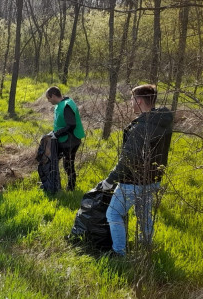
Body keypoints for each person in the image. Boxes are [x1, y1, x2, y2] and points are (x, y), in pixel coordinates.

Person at [100, 84, 173, 256]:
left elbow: (128, 159)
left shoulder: (141, 127)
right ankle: (146, 245)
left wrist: (109, 181)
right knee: (144, 214)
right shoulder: (161, 122)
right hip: (153, 179)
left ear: (139, 101)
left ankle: (119, 252)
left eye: (132, 99)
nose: (130, 102)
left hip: (134, 180)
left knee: (113, 213)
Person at [45, 86, 85, 191]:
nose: (48, 101)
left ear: (53, 96)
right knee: (54, 160)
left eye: (48, 98)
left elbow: (71, 125)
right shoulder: (60, 104)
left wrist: (57, 134)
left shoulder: (67, 106)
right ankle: (53, 184)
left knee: (68, 165)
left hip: (71, 140)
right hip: (65, 140)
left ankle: (71, 187)